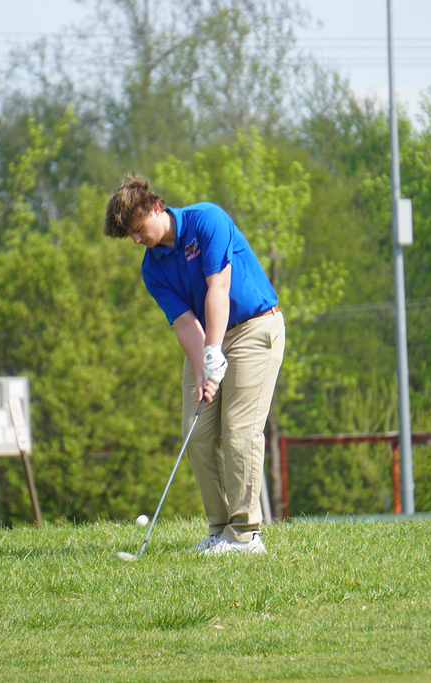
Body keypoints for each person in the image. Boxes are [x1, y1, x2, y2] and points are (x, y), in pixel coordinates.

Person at [103, 175, 285, 554]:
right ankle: (221, 529)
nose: (136, 240)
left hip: (254, 328)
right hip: (209, 338)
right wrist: (204, 369)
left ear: (156, 207)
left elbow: (219, 287)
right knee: (196, 430)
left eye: (138, 229)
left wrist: (213, 351)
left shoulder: (207, 220)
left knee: (238, 430)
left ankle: (246, 535)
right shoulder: (152, 269)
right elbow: (185, 323)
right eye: (130, 236)